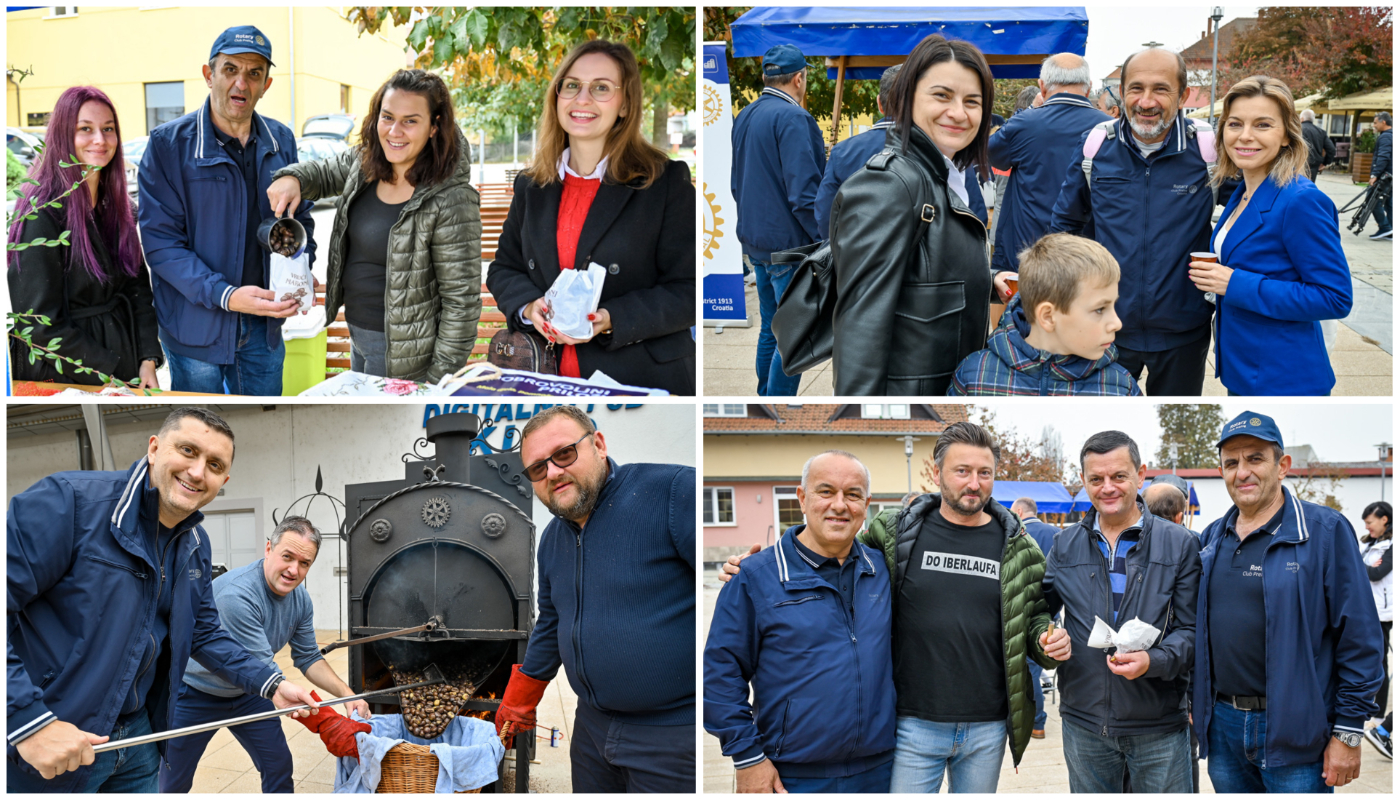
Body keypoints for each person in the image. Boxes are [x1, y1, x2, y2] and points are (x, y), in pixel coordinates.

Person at [716, 421, 1072, 791]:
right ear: (937, 473)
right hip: (910, 724)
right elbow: (831, 543)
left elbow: (1034, 617)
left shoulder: (1021, 547)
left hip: (988, 725)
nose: (973, 483)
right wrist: (759, 568)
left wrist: (1047, 643)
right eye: (961, 470)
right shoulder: (895, 531)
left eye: (985, 473)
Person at [6, 407, 320, 793]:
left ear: (223, 479)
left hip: (139, 739)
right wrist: (25, 719)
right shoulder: (69, 503)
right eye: (187, 450)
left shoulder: (195, 545)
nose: (197, 471)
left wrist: (271, 684)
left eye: (214, 464)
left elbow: (204, 633)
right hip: (61, 735)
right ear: (154, 448)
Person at [493, 406, 694, 792]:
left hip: (670, 737)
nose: (552, 472)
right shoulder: (552, 538)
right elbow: (551, 622)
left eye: (564, 454)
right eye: (538, 469)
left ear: (598, 444)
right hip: (591, 731)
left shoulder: (671, 492)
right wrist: (522, 697)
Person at [486, 40, 695, 395]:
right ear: (557, 97)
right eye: (572, 85)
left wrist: (613, 318)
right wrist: (528, 306)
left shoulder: (664, 182)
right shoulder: (531, 186)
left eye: (601, 88)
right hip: (547, 379)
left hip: (637, 379)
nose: (582, 99)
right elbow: (504, 268)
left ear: (625, 104)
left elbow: (689, 288)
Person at [1193, 412, 1384, 792]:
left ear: (1282, 466)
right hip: (1224, 728)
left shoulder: (1325, 532)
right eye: (1231, 462)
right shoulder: (1213, 538)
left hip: (1297, 732)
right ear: (1221, 471)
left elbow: (1360, 638)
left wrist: (1347, 733)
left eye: (1255, 458)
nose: (1242, 472)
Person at [266, 70, 480, 382]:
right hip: (359, 335)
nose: (395, 131)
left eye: (410, 120)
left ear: (434, 127)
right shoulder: (365, 163)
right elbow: (322, 173)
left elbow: (461, 304)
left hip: (403, 356)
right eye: (388, 117)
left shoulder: (451, 198)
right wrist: (293, 177)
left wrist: (437, 380)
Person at [138, 26, 316, 395]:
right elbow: (161, 245)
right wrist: (226, 295)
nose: (242, 84)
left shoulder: (281, 141)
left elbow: (302, 220)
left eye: (254, 74)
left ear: (266, 84)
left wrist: (299, 266)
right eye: (230, 70)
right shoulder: (168, 146)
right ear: (209, 75)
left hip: (263, 328)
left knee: (263, 424)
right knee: (203, 425)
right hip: (195, 328)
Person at [704, 451, 896, 793]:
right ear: (802, 499)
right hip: (791, 777)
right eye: (826, 491)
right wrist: (748, 758)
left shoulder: (883, 570)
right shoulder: (755, 577)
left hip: (881, 771)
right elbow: (720, 674)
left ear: (866, 505)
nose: (840, 505)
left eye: (852, 495)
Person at [830, 34, 995, 395]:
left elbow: (927, 275)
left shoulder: (946, 172)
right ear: (906, 98)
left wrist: (989, 279)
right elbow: (860, 326)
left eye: (972, 101)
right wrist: (860, 420)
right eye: (942, 95)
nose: (959, 113)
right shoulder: (889, 185)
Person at [158, 517, 370, 793]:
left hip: (250, 694)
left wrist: (347, 694)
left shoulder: (300, 600)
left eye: (304, 563)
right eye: (287, 557)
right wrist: (328, 721)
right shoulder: (237, 595)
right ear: (269, 548)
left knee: (278, 767)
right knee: (173, 783)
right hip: (196, 694)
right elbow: (265, 672)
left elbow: (308, 657)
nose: (294, 570)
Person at [1049, 48, 1217, 396]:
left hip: (1182, 330)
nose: (1146, 101)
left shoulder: (1208, 153)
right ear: (1121, 93)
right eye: (1136, 88)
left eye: (1161, 89)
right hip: (1105, 329)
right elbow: (1064, 225)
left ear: (1183, 95)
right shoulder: (1096, 146)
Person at [1041, 431, 1201, 793]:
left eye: (1118, 476)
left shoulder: (1180, 544)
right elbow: (1040, 610)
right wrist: (1046, 636)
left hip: (1157, 725)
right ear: (1083, 481)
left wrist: (1154, 660)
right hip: (1084, 723)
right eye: (1096, 479)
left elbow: (1194, 632)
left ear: (1140, 475)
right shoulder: (1064, 545)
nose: (1107, 487)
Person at [1189, 76, 1352, 396]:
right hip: (1244, 368)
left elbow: (1335, 297)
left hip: (1285, 377)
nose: (1245, 136)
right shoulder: (1243, 192)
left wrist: (1233, 283)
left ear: (1287, 136)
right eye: (1235, 124)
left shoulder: (1301, 200)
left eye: (1263, 125)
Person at [7, 86, 162, 388]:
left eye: (108, 129)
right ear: (64, 135)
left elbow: (138, 287)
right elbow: (39, 324)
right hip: (69, 371)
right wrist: (110, 370)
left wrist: (148, 358)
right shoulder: (41, 214)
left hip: (124, 361)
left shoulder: (119, 206)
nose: (100, 140)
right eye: (85, 129)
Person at [730, 43, 825, 396]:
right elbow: (804, 195)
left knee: (771, 326)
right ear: (799, 78)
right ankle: (776, 402)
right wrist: (824, 242)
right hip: (789, 247)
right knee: (793, 338)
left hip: (756, 242)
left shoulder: (746, 114)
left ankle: (765, 395)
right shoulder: (795, 118)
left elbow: (736, 182)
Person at [949, 233, 1140, 396]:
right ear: (1048, 317)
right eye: (1100, 309)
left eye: (1113, 305)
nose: (1116, 323)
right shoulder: (973, 376)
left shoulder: (1121, 387)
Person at [815, 64, 987, 240]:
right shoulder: (947, 150)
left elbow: (825, 219)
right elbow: (976, 217)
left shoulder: (842, 152)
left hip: (853, 261)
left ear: (880, 104)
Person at [988, 54, 1110, 299]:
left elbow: (991, 154)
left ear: (1042, 87)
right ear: (1088, 89)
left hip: (1027, 255)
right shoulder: (1110, 129)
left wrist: (1031, 110)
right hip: (1087, 256)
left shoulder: (1024, 123)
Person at [1012, 496, 1062, 740]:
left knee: (1030, 668)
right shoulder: (1056, 533)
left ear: (1020, 511)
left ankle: (1037, 722)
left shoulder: (1015, 534)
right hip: (1053, 611)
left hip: (1025, 613)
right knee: (1050, 658)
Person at [1359, 501, 1393, 759]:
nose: (1367, 527)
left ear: (1385, 520)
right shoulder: (1371, 545)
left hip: (1383, 614)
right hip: (1369, 611)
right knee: (1371, 660)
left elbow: (1376, 572)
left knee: (1379, 663)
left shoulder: (1392, 546)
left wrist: (1360, 567)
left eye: (1370, 521)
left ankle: (1378, 713)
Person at [1367, 112, 1392, 240]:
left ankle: (1385, 227)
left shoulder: (1386, 137)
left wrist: (1375, 174)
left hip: (1384, 176)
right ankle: (1391, 230)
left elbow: (1383, 156)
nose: (1374, 125)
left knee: (1371, 199)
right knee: (1390, 202)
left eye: (1375, 123)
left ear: (1383, 122)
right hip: (1391, 175)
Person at [1300, 109, 1335, 182]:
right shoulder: (1321, 132)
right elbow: (1331, 149)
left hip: (1297, 164)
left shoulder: (1297, 129)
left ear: (1302, 118)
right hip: (1313, 165)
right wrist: (1325, 162)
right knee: (1309, 187)